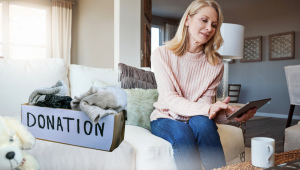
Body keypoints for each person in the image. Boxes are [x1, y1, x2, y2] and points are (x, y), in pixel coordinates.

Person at [150, 0, 257, 169]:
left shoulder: (215, 64)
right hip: (165, 117)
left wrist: (230, 116)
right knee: (183, 133)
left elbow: (205, 107)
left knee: (204, 124)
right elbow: (169, 98)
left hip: (197, 116)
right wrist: (208, 109)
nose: (209, 28)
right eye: (204, 20)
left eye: (214, 25)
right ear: (187, 20)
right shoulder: (162, 54)